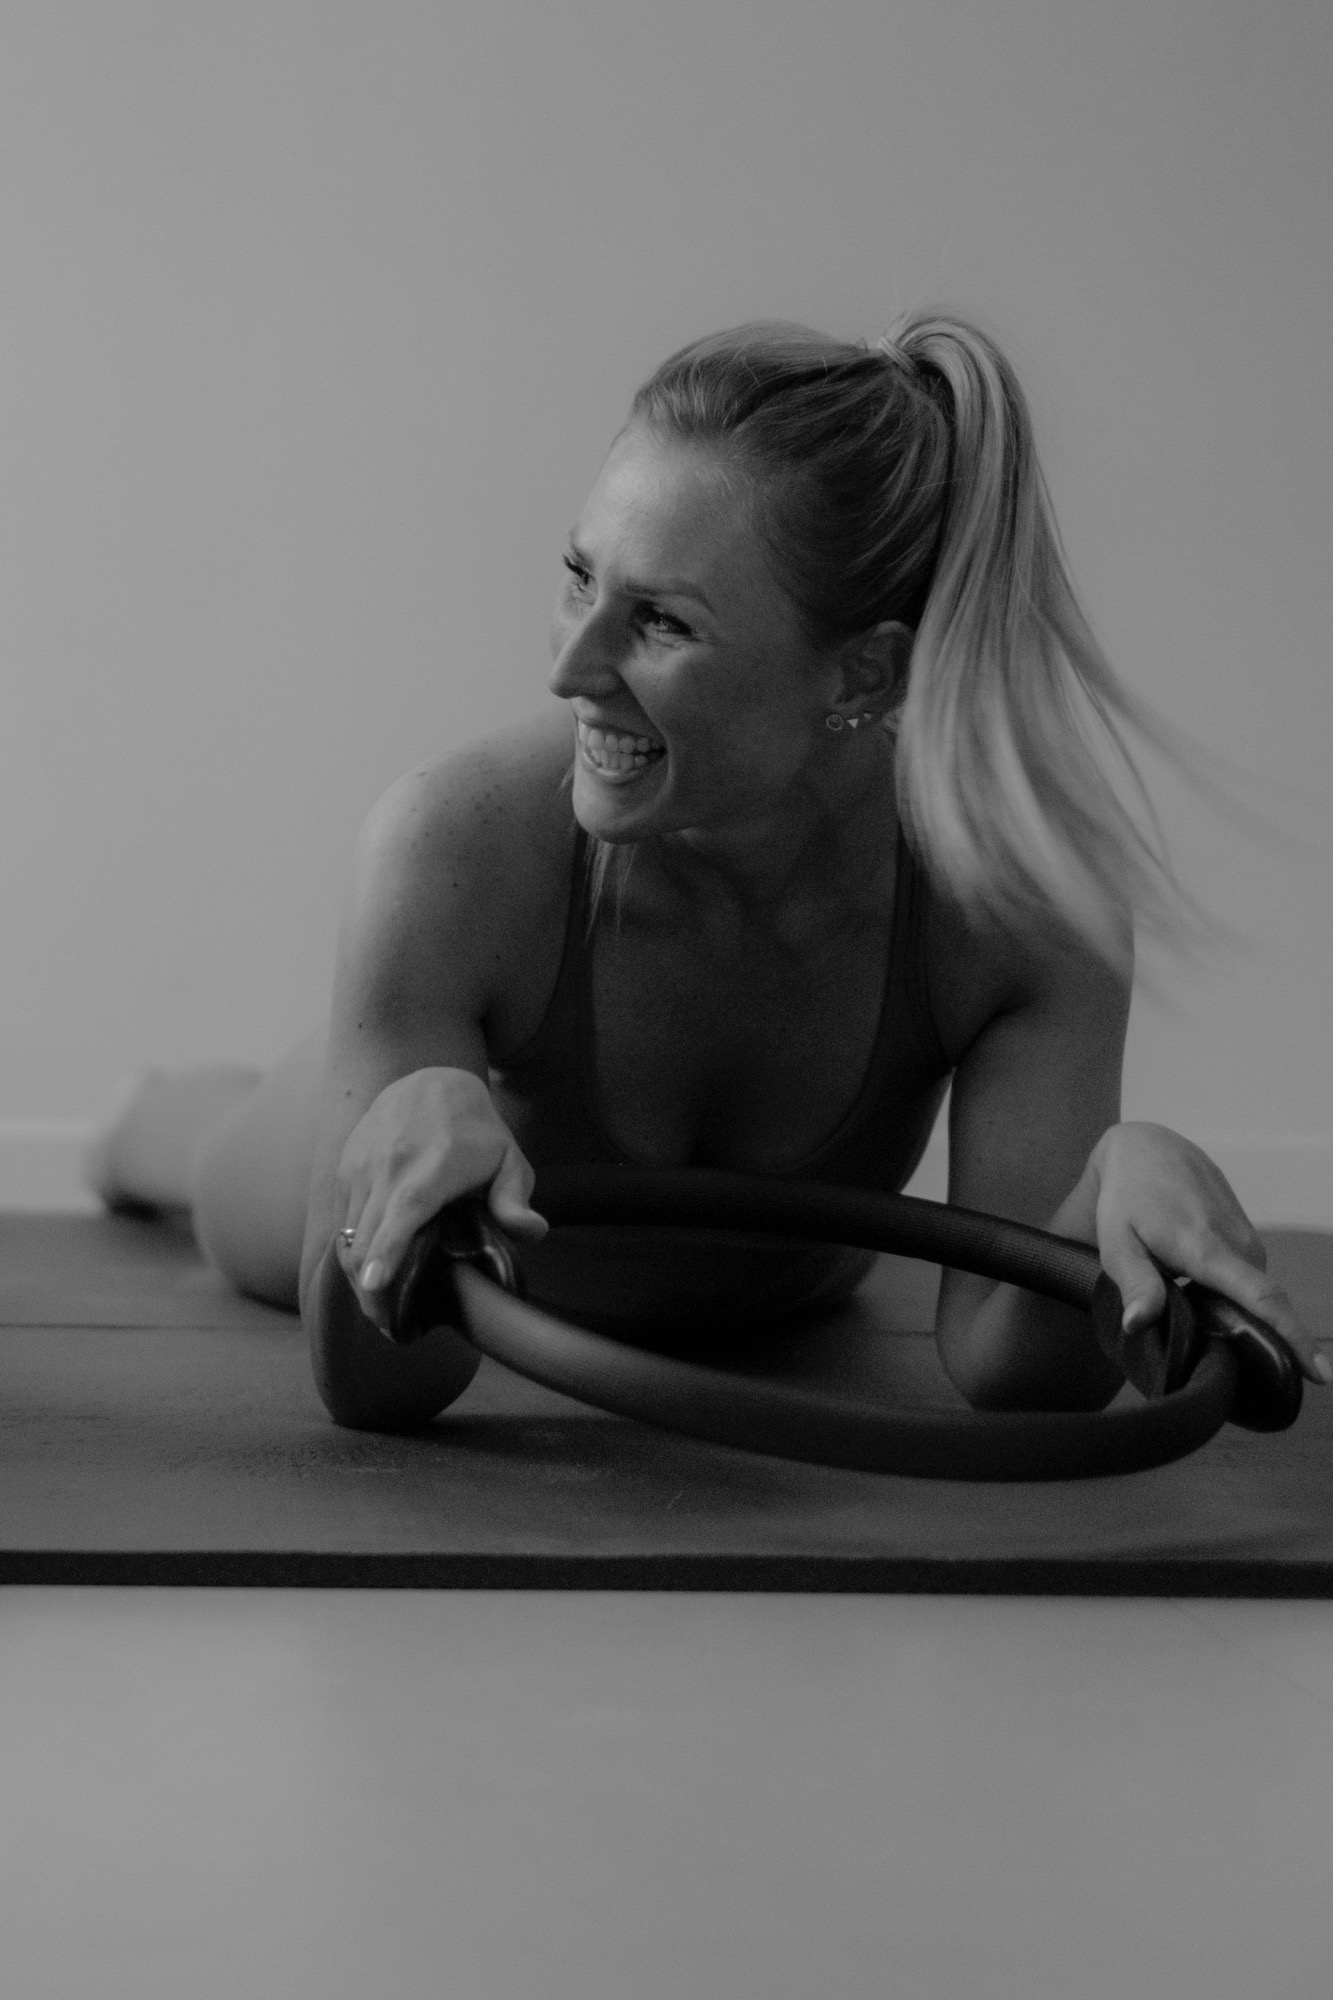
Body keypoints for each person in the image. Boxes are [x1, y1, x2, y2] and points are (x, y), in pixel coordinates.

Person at [86, 310, 1326, 1429]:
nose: (570, 670)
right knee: (195, 1158)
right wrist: (408, 1138)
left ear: (863, 673)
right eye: (580, 576)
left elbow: (1015, 1373)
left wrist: (1109, 1205)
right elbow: (378, 1389)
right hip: (347, 1151)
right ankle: (151, 1110)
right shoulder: (448, 842)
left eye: (663, 621)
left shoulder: (1019, 907)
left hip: (778, 1295)